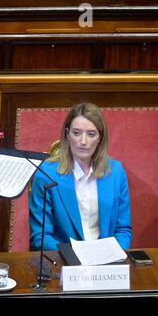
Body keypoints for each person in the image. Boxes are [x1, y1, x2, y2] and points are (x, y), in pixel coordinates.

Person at [29, 103, 132, 251]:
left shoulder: (116, 172)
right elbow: (40, 237)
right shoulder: (46, 174)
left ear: (100, 138)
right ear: (67, 134)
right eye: (77, 133)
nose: (83, 141)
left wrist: (109, 255)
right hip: (64, 260)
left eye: (91, 134)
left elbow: (123, 231)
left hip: (106, 260)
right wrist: (79, 255)